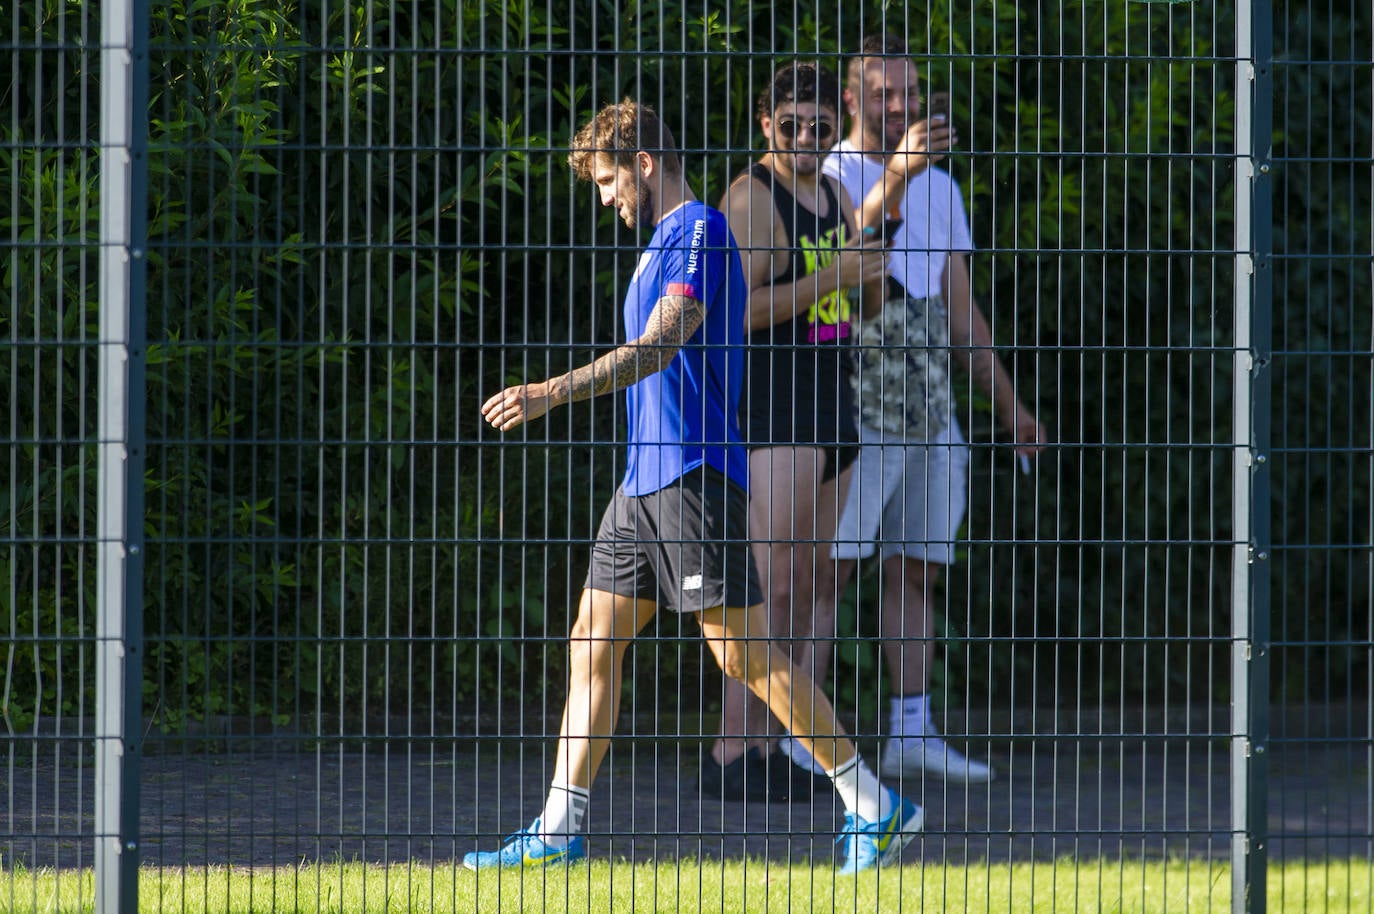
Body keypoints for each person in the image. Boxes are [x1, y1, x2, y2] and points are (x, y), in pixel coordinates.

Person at [466, 98, 921, 872]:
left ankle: (874, 805)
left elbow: (660, 345)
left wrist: (550, 392)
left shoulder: (701, 232)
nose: (607, 200)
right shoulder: (655, 246)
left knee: (744, 659)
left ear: (645, 163)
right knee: (591, 639)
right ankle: (557, 828)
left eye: (610, 181)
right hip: (642, 482)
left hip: (694, 477)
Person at [815, 35, 1049, 784]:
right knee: (830, 572)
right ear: (852, 99)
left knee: (915, 570)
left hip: (929, 400)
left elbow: (962, 311)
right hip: (851, 398)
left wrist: (1011, 409)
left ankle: (909, 733)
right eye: (885, 94)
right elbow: (836, 264)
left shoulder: (941, 189)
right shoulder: (827, 174)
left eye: (910, 93)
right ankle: (804, 738)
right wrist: (898, 175)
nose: (902, 107)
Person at [702, 63, 889, 803]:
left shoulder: (839, 195)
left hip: (833, 411)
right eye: (791, 125)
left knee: (815, 589)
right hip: (775, 416)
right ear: (765, 125)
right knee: (766, 589)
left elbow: (867, 307)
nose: (806, 137)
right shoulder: (753, 198)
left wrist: (867, 270)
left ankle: (794, 747)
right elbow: (734, 313)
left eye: (818, 125)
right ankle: (732, 751)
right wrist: (834, 272)